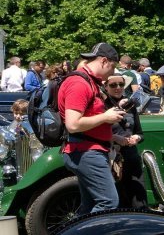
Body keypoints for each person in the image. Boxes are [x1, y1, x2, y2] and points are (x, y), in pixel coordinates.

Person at [59, 42, 126, 214]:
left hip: (87, 150)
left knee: (88, 207)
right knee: (108, 202)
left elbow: (88, 121)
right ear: (104, 61)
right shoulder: (80, 84)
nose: (113, 72)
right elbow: (73, 124)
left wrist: (114, 137)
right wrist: (106, 116)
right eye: (112, 67)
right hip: (86, 152)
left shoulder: (89, 82)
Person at [104, 74, 146, 208]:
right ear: (106, 87)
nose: (118, 88)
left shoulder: (130, 104)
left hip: (131, 156)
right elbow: (98, 132)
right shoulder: (103, 107)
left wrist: (136, 138)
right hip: (113, 158)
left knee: (139, 200)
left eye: (121, 85)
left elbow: (140, 132)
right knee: (119, 200)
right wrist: (116, 138)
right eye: (113, 85)